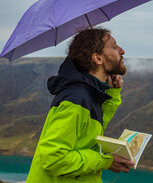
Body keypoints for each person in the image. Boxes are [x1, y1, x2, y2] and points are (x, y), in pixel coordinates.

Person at [26, 27, 134, 182]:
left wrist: (112, 93)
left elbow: (88, 133)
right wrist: (105, 161)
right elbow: (53, 159)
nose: (122, 51)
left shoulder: (88, 93)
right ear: (98, 58)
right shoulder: (77, 98)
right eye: (114, 47)